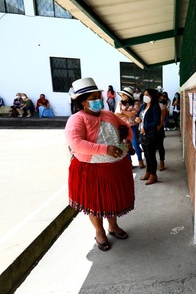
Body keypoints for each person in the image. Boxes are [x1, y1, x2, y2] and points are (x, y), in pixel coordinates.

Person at [65, 77, 135, 252]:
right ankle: (99, 231)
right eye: (93, 98)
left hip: (115, 167)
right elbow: (76, 143)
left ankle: (113, 226)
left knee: (111, 201)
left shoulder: (109, 115)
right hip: (91, 169)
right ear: (83, 102)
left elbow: (127, 128)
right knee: (95, 204)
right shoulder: (77, 119)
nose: (99, 100)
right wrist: (105, 149)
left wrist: (127, 140)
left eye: (99, 96)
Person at [137, 88, 161, 185]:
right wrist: (137, 119)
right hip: (142, 134)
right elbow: (138, 116)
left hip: (151, 135)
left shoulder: (155, 107)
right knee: (146, 155)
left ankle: (153, 175)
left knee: (151, 156)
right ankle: (148, 172)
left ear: (152, 96)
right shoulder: (143, 106)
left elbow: (157, 122)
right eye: (144, 94)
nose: (145, 96)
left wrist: (146, 127)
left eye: (147, 94)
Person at [116, 87, 144, 169]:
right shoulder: (120, 103)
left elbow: (133, 114)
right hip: (122, 127)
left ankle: (140, 161)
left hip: (132, 126)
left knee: (135, 144)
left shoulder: (136, 103)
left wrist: (123, 112)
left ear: (128, 95)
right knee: (126, 145)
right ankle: (129, 162)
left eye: (123, 94)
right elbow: (117, 114)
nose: (122, 96)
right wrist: (127, 113)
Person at [157, 93, 168, 170]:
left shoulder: (162, 106)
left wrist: (158, 128)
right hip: (150, 130)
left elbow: (162, 119)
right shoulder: (146, 106)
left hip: (159, 129)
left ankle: (161, 161)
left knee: (160, 145)